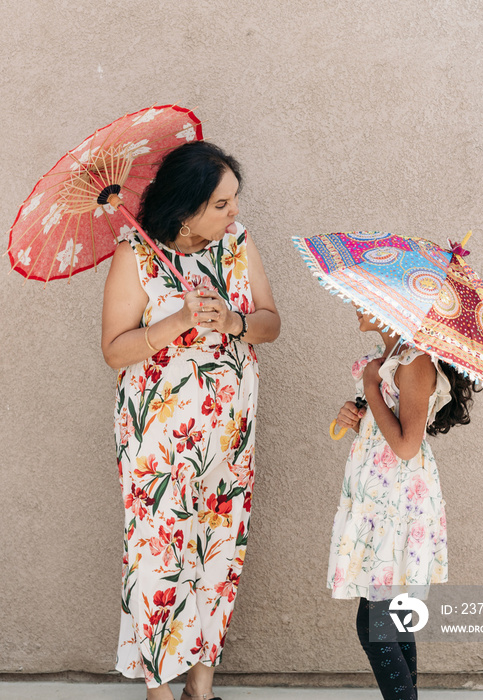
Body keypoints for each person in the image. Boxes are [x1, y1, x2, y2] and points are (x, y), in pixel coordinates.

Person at [101, 141, 280, 700]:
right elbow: (114, 349)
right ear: (187, 208)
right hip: (159, 437)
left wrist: (232, 319)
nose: (234, 213)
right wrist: (176, 320)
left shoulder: (238, 245)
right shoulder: (135, 255)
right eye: (223, 203)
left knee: (219, 549)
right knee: (161, 550)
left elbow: (271, 324)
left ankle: (200, 688)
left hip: (229, 433)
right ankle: (159, 687)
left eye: (233, 201)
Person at [327, 303, 479, 700]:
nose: (354, 306)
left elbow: (407, 446)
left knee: (374, 627)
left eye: (365, 301)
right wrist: (358, 417)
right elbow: (387, 429)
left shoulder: (415, 362)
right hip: (379, 501)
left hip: (397, 504)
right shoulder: (391, 360)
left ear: (389, 309)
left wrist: (371, 388)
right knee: (392, 621)